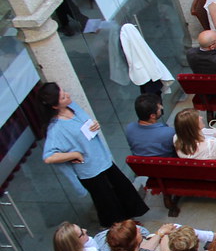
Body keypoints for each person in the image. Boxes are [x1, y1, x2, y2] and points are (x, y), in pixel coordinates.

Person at [40, 82, 149, 227]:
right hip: (89, 170)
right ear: (54, 106)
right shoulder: (56, 129)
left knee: (123, 189)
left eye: (64, 92)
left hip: (102, 158)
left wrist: (95, 125)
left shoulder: (73, 108)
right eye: (63, 97)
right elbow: (48, 157)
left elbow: (85, 126)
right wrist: (74, 154)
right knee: (107, 201)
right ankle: (121, 229)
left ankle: (128, 222)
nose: (68, 95)